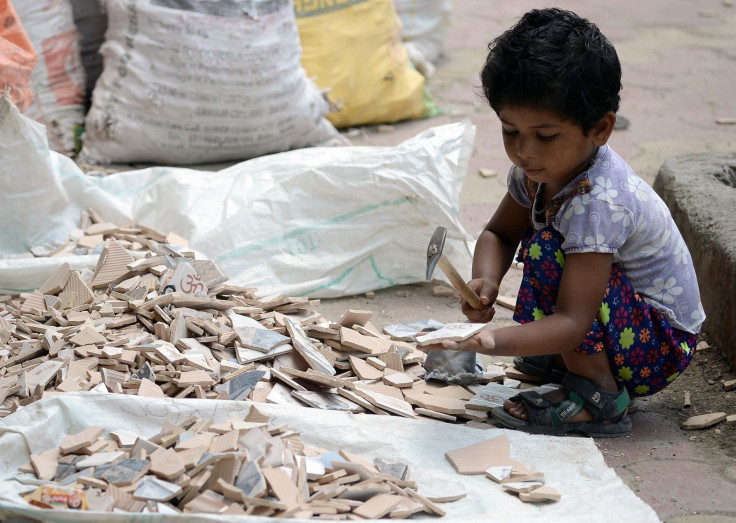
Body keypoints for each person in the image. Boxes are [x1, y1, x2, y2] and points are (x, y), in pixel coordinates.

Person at [419, 8, 705, 437]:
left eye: (545, 135)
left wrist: (492, 341)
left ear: (601, 128)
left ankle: (601, 395)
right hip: (617, 322)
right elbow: (499, 233)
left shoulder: (599, 203)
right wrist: (485, 280)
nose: (523, 151)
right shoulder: (540, 170)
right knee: (548, 249)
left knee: (548, 251)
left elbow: (575, 319)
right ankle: (567, 357)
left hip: (659, 346)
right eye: (510, 131)